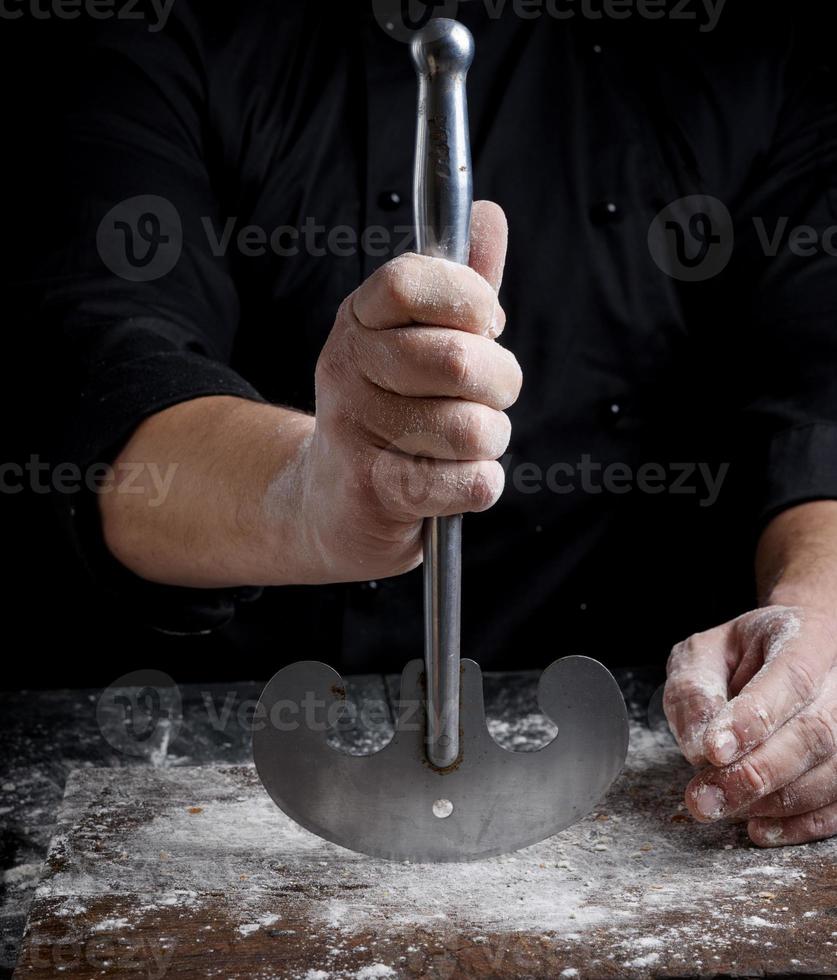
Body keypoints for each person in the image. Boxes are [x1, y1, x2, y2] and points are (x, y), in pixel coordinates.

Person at [30, 1, 837, 846]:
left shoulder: (740, 42)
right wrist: (302, 495)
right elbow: (94, 372)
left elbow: (816, 387)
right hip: (199, 760)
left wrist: (816, 619)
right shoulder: (163, 25)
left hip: (649, 766)